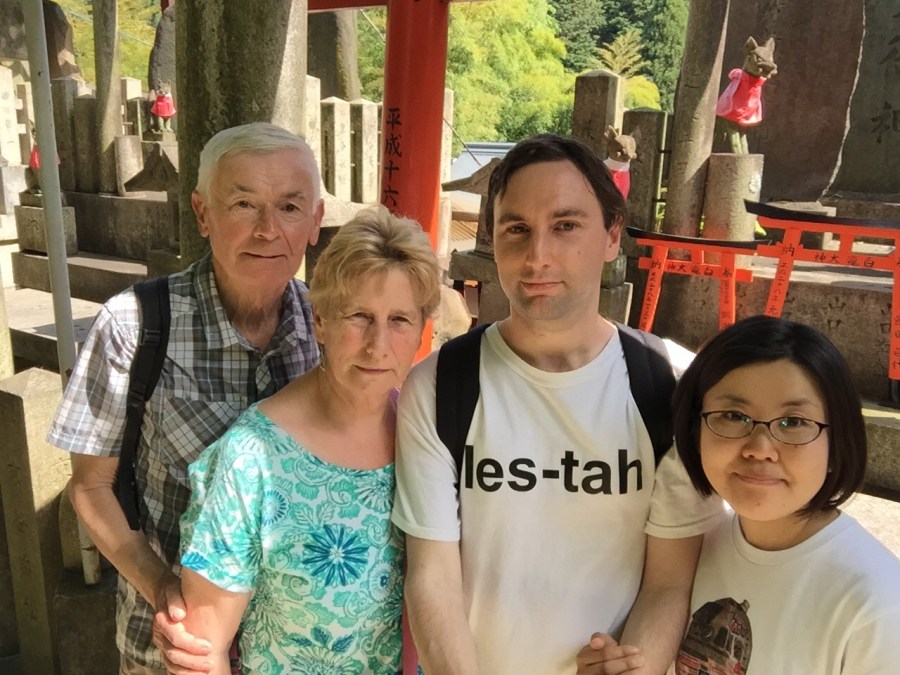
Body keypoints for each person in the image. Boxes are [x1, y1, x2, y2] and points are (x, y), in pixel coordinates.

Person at [391, 133, 723, 675]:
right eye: (516, 229)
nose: (537, 256)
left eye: (565, 226)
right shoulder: (440, 385)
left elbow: (669, 581)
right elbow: (432, 574)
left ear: (612, 236)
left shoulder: (670, 385)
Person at [47, 121, 324, 675]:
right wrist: (160, 587)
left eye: (290, 208)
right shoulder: (133, 325)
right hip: (174, 643)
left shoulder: (330, 328)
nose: (268, 230)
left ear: (315, 221)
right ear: (202, 214)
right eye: (243, 204)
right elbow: (91, 486)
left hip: (295, 645)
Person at [176, 206, 441, 673]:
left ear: (421, 329)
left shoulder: (426, 437)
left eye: (400, 320)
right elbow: (203, 649)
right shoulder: (252, 458)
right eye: (359, 316)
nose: (378, 345)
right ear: (320, 320)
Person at [668, 315, 900, 674]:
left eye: (794, 422)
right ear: (694, 430)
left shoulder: (878, 603)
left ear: (837, 443)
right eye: (733, 415)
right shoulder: (691, 551)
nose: (760, 449)